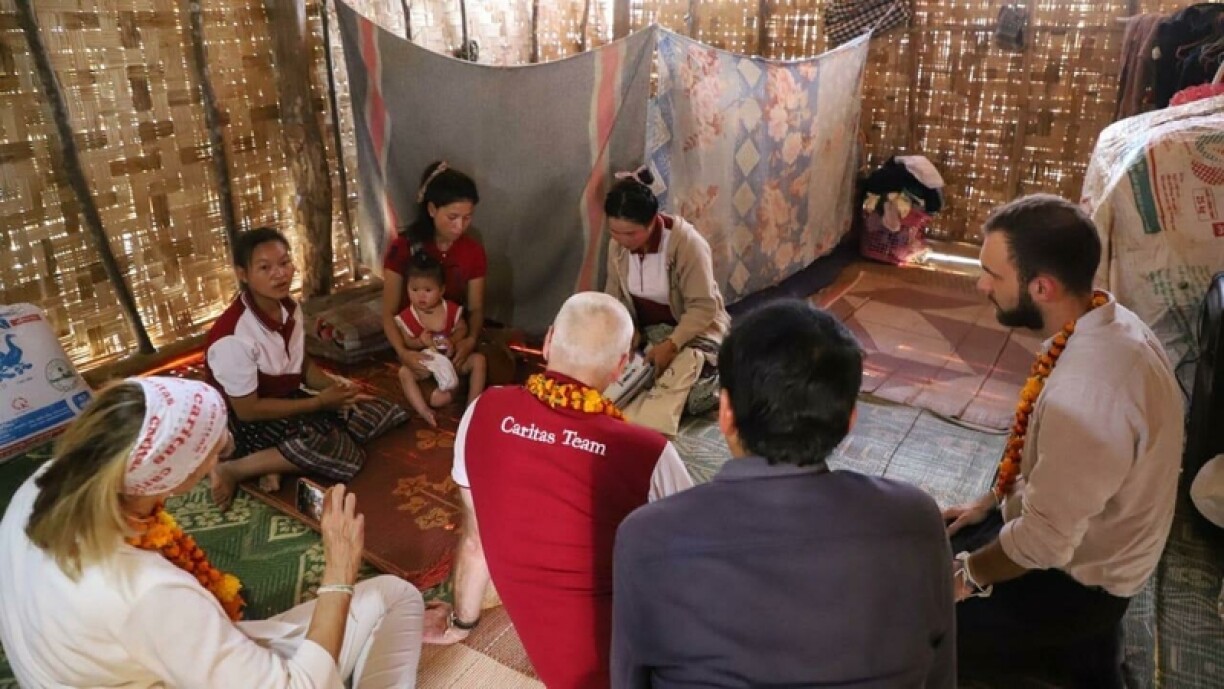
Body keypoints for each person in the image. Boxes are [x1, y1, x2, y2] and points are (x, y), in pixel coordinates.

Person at [611, 300, 955, 688]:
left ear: (725, 413)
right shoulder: (917, 521)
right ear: (849, 421)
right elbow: (941, 677)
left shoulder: (648, 535)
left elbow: (629, 680)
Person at [0, 377, 424, 688]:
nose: (223, 453)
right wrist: (339, 575)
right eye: (214, 452)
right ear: (177, 478)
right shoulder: (150, 591)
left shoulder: (44, 483)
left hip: (100, 667)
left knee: (380, 603)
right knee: (397, 596)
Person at [942, 194, 1183, 686]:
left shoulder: (1086, 395)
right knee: (939, 536)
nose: (981, 285)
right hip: (1084, 537)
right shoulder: (1108, 320)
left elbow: (1044, 543)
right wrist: (994, 500)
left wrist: (965, 577)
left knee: (921, 623)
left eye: (992, 275)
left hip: (1081, 585)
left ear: (1042, 288)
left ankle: (1068, 656)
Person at [424, 292, 694, 689]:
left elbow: (476, 543)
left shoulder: (482, 411)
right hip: (640, 669)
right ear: (622, 367)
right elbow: (700, 564)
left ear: (549, 341)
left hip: (567, 671)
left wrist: (461, 622)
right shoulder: (648, 453)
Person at [206, 227, 408, 510]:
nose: (280, 274)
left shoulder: (289, 307)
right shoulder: (233, 337)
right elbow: (247, 410)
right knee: (342, 453)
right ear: (243, 274)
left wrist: (337, 390)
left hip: (288, 400)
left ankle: (276, 460)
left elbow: (301, 364)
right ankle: (235, 469)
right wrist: (319, 403)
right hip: (242, 425)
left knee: (378, 412)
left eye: (284, 262)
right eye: (265, 268)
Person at [603, 166, 731, 437]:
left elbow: (703, 307)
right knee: (609, 371)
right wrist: (629, 333)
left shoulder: (686, 244)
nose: (622, 241)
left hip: (692, 333)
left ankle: (722, 372)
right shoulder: (617, 247)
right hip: (647, 334)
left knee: (692, 394)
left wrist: (672, 345)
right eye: (614, 232)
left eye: (631, 234)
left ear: (652, 222)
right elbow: (615, 298)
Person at [382, 161, 492, 384]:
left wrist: (469, 340)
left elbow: (476, 307)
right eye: (452, 217)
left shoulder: (473, 251)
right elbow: (388, 312)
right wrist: (404, 353)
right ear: (432, 210)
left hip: (453, 338)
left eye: (467, 217)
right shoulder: (403, 248)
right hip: (415, 343)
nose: (460, 226)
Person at [394, 251, 487, 427]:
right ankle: (423, 410)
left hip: (452, 359)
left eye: (428, 290)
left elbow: (462, 328)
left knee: (479, 361)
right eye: (414, 290)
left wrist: (453, 340)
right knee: (404, 373)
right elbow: (407, 341)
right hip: (429, 363)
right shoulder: (407, 316)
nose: (421, 296)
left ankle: (472, 406)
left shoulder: (450, 309)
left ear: (442, 290)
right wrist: (419, 342)